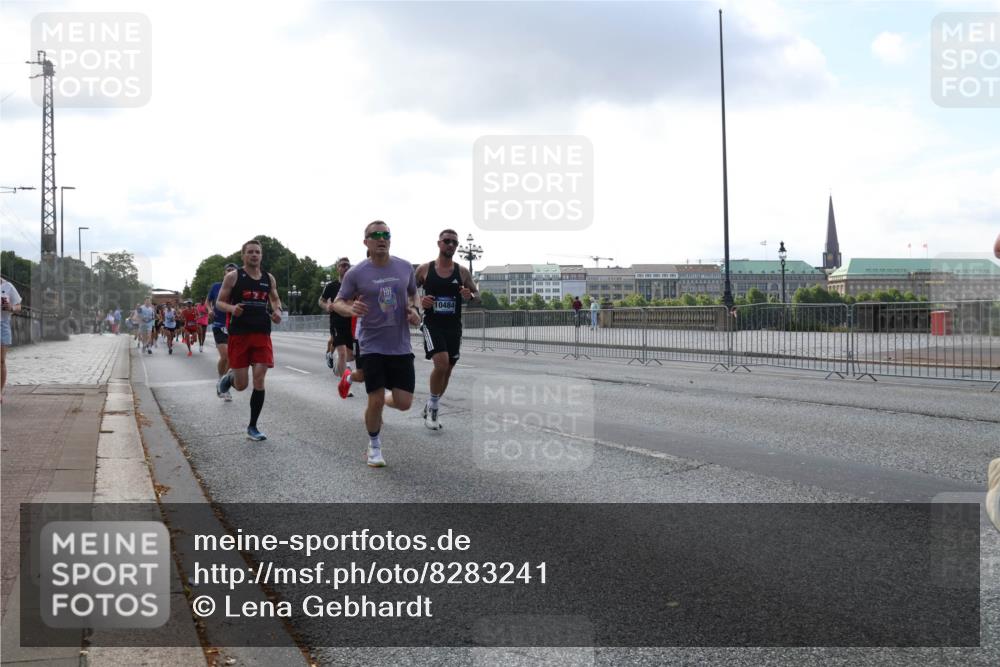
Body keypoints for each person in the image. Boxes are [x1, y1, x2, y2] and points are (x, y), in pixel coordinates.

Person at [333, 221, 420, 467]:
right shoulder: (356, 273)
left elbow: (414, 294)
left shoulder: (404, 268)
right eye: (376, 235)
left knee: (404, 403)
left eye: (386, 235)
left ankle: (376, 397)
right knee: (375, 397)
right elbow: (337, 302)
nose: (382, 239)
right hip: (371, 344)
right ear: (366, 242)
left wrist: (415, 310)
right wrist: (350, 308)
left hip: (400, 344)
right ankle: (374, 446)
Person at [215, 240, 283, 441]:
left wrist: (278, 311)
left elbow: (275, 299)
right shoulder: (234, 277)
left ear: (261, 256)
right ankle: (229, 379)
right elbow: (219, 302)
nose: (254, 255)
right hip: (240, 334)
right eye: (250, 252)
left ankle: (253, 426)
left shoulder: (268, 278)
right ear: (243, 255)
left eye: (258, 252)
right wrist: (232, 309)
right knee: (242, 385)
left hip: (262, 333)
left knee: (260, 379)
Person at [415, 228, 479, 430]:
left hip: (454, 326)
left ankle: (430, 403)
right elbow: (407, 293)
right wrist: (419, 301)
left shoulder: (462, 271)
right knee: (441, 364)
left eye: (454, 243)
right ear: (439, 243)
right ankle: (434, 409)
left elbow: (477, 294)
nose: (450, 245)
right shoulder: (425, 269)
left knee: (448, 370)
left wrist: (470, 295)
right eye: (447, 241)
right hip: (432, 324)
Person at [320, 258, 356, 389]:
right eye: (342, 265)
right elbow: (321, 301)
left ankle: (335, 361)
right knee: (342, 353)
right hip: (337, 322)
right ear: (338, 268)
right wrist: (326, 306)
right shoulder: (331, 286)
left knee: (350, 356)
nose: (345, 268)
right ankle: (344, 384)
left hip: (352, 323)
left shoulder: (354, 286)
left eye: (348, 265)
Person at [207, 263, 238, 401]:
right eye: (228, 270)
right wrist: (209, 310)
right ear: (224, 273)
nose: (230, 272)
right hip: (219, 325)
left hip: (233, 326)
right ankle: (220, 379)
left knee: (232, 359)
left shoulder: (238, 287)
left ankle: (224, 385)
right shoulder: (216, 286)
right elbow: (208, 302)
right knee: (225, 356)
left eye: (233, 270)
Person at [1, 278, 23, 400]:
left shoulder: (8, 286)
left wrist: (11, 308)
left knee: (1, 361)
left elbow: (19, 306)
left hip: (2, 324)